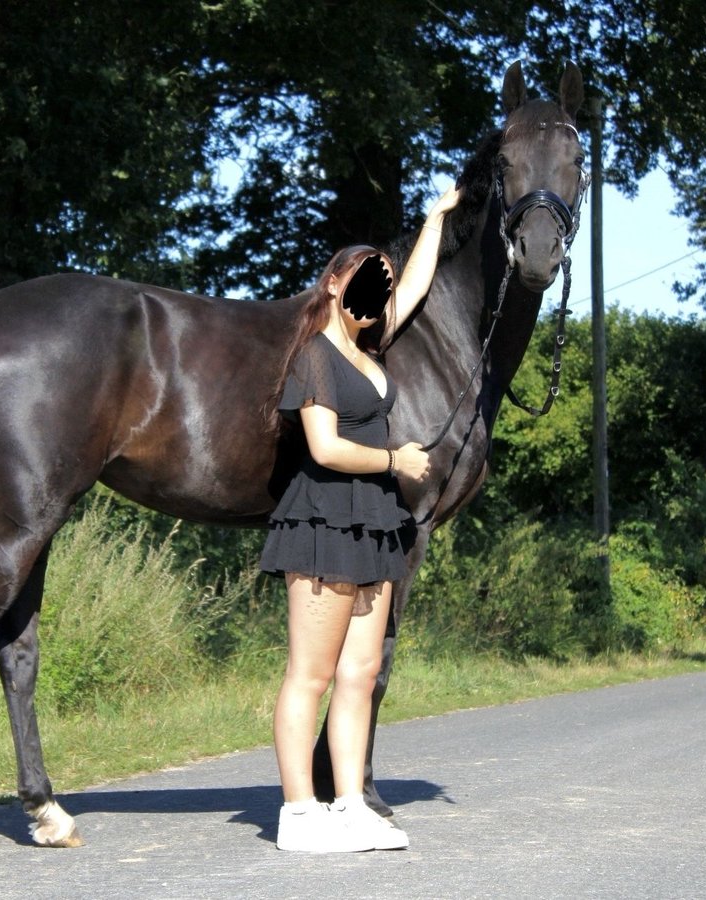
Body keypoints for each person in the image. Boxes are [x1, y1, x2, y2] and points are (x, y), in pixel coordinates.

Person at [259, 184, 463, 853]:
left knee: (359, 674)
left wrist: (435, 219)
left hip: (375, 526)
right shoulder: (315, 352)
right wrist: (394, 458)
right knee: (310, 676)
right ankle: (298, 812)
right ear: (333, 285)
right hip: (322, 521)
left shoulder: (370, 349)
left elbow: (415, 285)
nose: (376, 296)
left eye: (381, 285)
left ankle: (349, 804)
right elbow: (323, 447)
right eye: (363, 282)